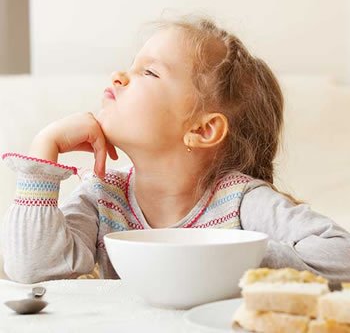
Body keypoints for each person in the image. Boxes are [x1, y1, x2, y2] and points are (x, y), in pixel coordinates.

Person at [1, 15, 350, 284]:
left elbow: (340, 254)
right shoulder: (102, 198)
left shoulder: (240, 201)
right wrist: (42, 154)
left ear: (202, 129)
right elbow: (34, 271)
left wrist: (230, 256)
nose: (118, 76)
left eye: (149, 72)